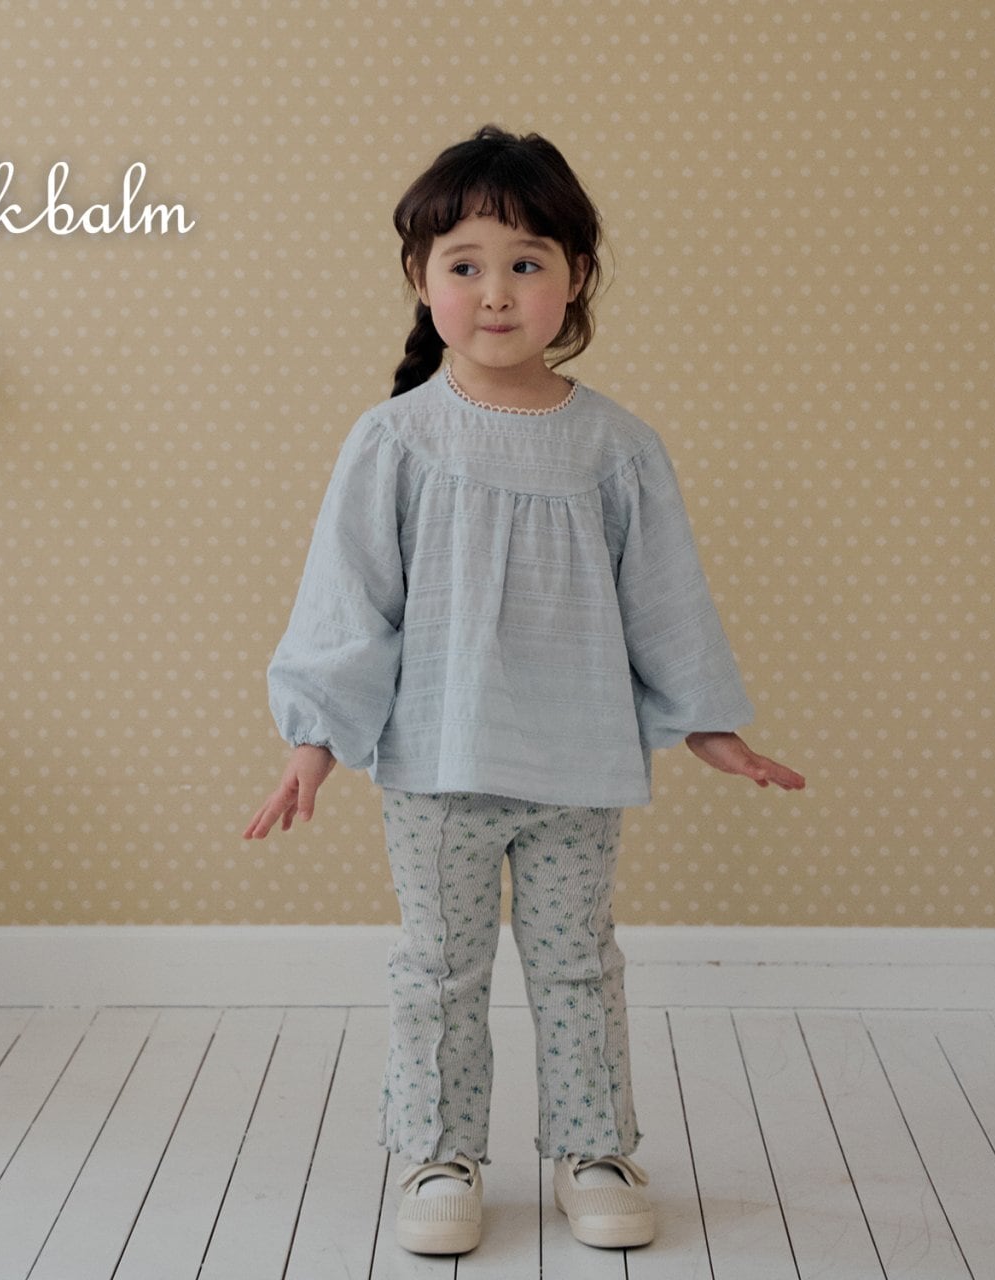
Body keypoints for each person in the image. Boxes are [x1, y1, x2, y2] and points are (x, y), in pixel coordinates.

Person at [244, 126, 805, 1257]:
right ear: (422, 278)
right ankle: (438, 1151)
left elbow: (664, 599)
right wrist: (313, 739)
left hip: (576, 767)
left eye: (526, 261)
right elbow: (348, 603)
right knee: (438, 969)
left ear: (575, 276)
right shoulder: (395, 440)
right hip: (437, 768)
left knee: (576, 965)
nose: (495, 291)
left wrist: (709, 725)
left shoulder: (616, 447)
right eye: (465, 263)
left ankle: (592, 1149)